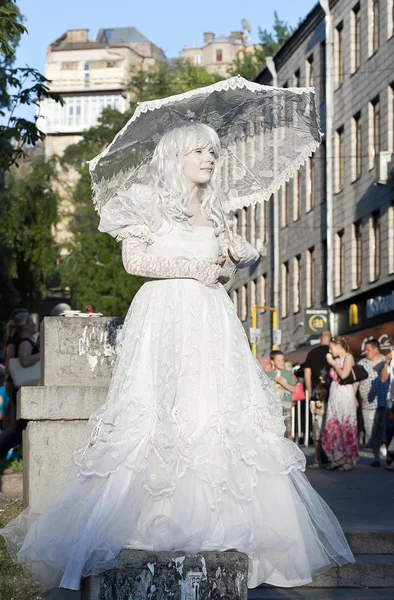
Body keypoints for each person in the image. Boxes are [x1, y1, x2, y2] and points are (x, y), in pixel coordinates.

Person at [1, 122, 354, 591]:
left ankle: (226, 528)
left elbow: (218, 278)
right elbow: (135, 261)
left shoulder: (216, 213)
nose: (210, 158)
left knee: (210, 410)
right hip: (163, 317)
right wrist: (196, 269)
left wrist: (231, 260)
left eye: (213, 151)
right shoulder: (144, 203)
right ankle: (142, 522)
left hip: (210, 322)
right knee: (156, 413)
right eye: (200, 151)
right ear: (176, 156)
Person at [0, 311, 40, 457]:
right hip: (19, 386)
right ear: (27, 327)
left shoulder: (15, 341)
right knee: (17, 428)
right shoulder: (25, 342)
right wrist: (42, 354)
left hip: (14, 385)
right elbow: (24, 360)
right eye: (32, 323)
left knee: (17, 426)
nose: (34, 325)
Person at [322, 337, 358, 471]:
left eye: (331, 347)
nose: (330, 351)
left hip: (345, 395)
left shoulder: (348, 358)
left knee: (346, 427)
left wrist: (332, 363)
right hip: (334, 395)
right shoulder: (335, 360)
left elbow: (344, 375)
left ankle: (349, 458)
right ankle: (337, 457)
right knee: (333, 427)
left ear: (338, 346)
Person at [358, 339, 389, 467]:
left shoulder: (386, 361)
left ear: (376, 350)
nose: (365, 352)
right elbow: (356, 381)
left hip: (384, 402)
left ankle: (388, 455)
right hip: (368, 404)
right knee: (371, 432)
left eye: (368, 350)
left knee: (388, 429)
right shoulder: (362, 363)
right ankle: (376, 458)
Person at [268, 353, 297, 440]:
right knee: (274, 432)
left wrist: (281, 381)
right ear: (272, 361)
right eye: (279, 360)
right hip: (272, 407)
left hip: (286, 407)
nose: (281, 362)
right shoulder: (268, 374)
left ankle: (291, 452)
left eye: (283, 360)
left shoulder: (288, 373)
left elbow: (293, 389)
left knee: (288, 432)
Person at [303, 331, 331, 401]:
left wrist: (309, 392)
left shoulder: (311, 353)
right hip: (332, 389)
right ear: (330, 339)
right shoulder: (333, 352)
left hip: (316, 390)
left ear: (319, 339)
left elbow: (307, 375)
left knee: (317, 410)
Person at [380, 336, 394, 471]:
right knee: (389, 429)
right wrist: (386, 362)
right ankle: (390, 459)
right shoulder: (391, 360)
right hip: (391, 399)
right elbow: (383, 378)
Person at [309, 383, 328, 468]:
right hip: (317, 423)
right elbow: (313, 410)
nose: (316, 395)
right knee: (317, 442)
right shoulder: (314, 401)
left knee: (327, 441)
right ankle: (316, 460)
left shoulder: (327, 402)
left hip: (325, 424)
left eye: (318, 394)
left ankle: (329, 458)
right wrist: (323, 414)